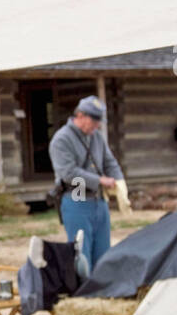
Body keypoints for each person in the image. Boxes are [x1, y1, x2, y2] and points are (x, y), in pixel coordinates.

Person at [49, 95, 124, 271]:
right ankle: (84, 289)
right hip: (77, 195)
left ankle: (101, 288)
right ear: (80, 116)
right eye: (94, 120)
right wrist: (99, 180)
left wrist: (120, 183)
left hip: (99, 199)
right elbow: (69, 174)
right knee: (81, 251)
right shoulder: (62, 139)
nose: (97, 125)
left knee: (103, 251)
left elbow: (109, 162)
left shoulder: (96, 137)